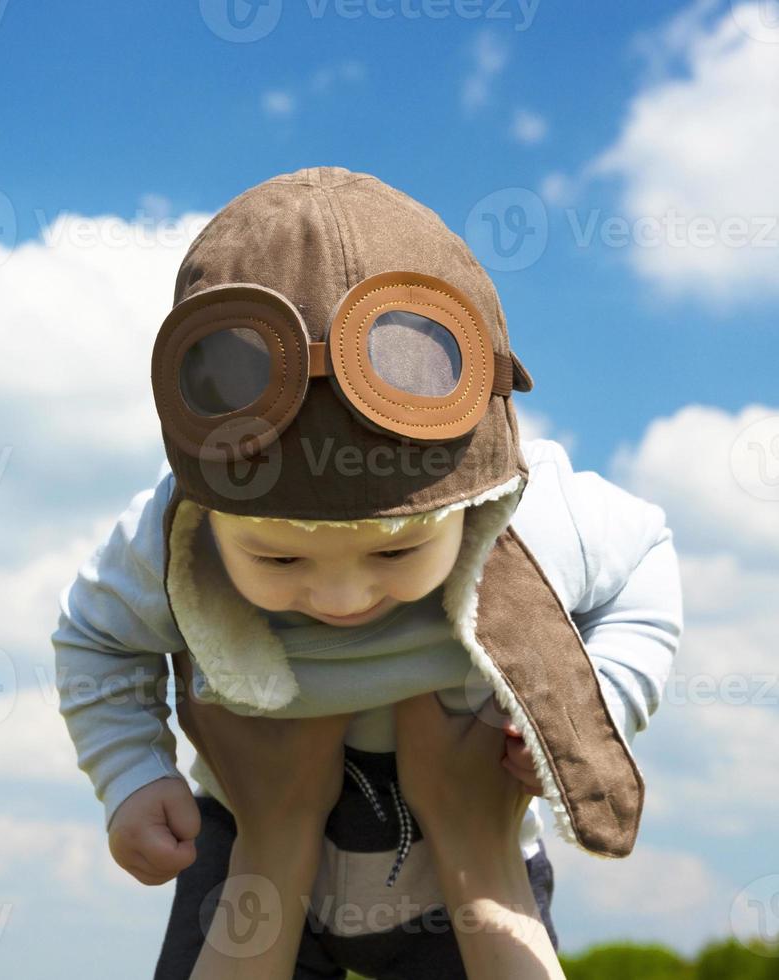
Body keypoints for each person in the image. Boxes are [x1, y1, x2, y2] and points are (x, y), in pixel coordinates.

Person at [51, 167, 684, 977]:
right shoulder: (170, 531)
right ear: (207, 507)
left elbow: (644, 564)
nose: (341, 597)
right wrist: (132, 775)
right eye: (279, 558)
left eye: (395, 549)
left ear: (473, 498)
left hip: (460, 877)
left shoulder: (539, 513)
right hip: (241, 837)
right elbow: (94, 637)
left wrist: (605, 693)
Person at [167, 650, 564, 979]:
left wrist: (565, 731)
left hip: (458, 855)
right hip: (237, 828)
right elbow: (116, 624)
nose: (343, 599)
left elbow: (608, 604)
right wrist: (134, 775)